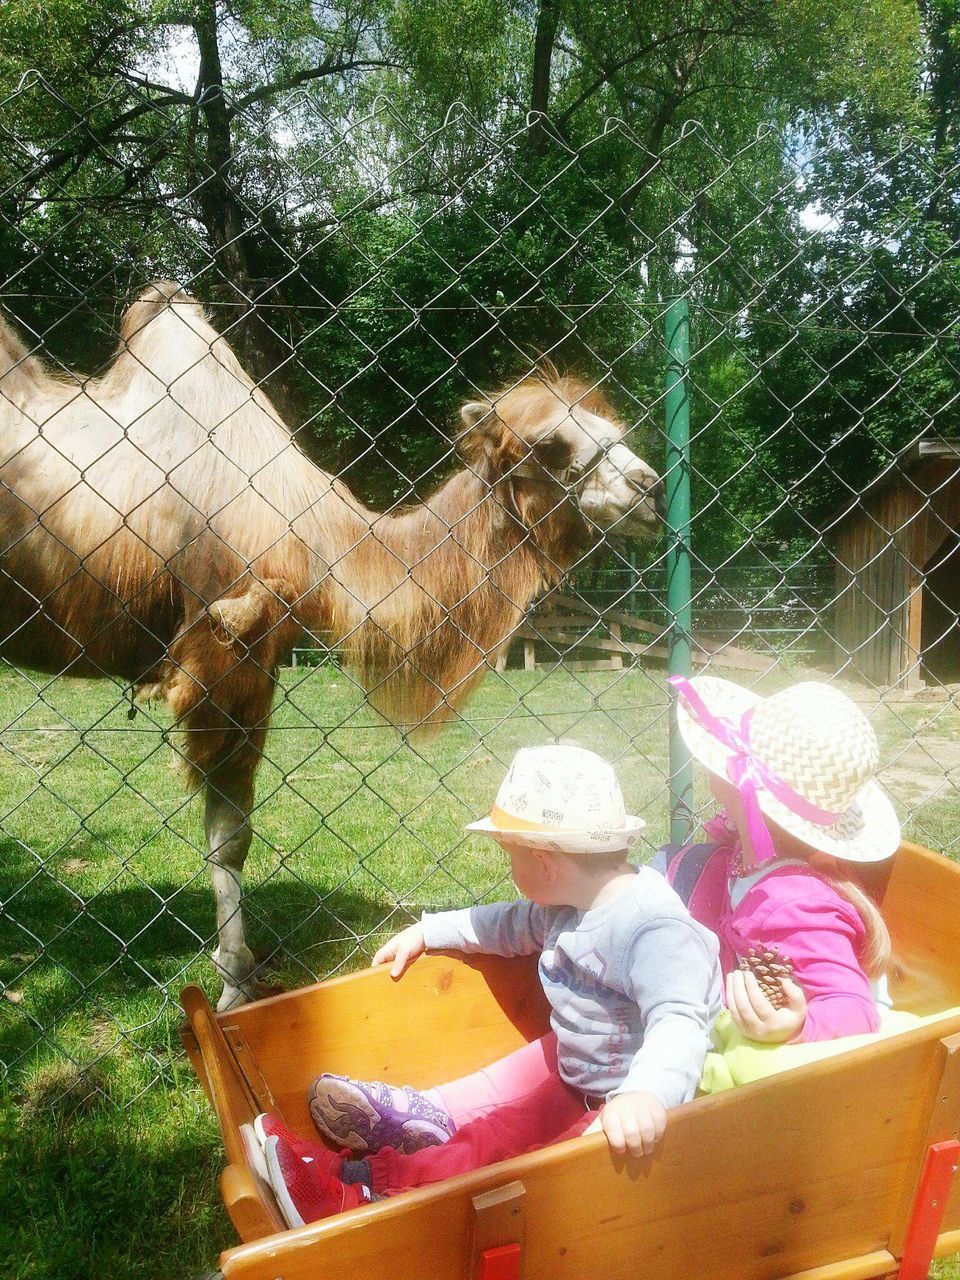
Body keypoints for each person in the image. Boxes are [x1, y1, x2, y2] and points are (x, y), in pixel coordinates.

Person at [254, 743, 722, 1228]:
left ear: (544, 863)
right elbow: (507, 924)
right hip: (576, 1087)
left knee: (518, 1172)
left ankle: (368, 1209)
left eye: (511, 856)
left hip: (622, 1119)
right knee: (487, 1139)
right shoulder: (572, 903)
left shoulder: (655, 931)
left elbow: (680, 1022)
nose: (510, 871)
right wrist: (429, 931)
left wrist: (645, 1095)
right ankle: (359, 1176)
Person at [657, 676, 899, 1045]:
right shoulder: (756, 847)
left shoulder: (793, 901)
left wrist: (797, 1028)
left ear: (742, 787)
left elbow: (856, 1010)